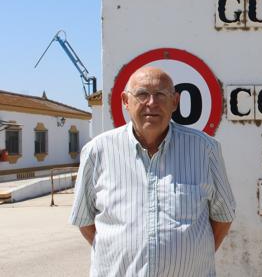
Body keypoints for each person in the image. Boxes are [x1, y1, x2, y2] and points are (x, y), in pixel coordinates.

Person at [69, 66, 235, 277]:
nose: (152, 103)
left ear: (175, 102)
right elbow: (85, 220)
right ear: (125, 101)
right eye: (142, 94)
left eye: (160, 95)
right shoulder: (97, 151)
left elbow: (223, 215)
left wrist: (189, 258)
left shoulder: (205, 149)